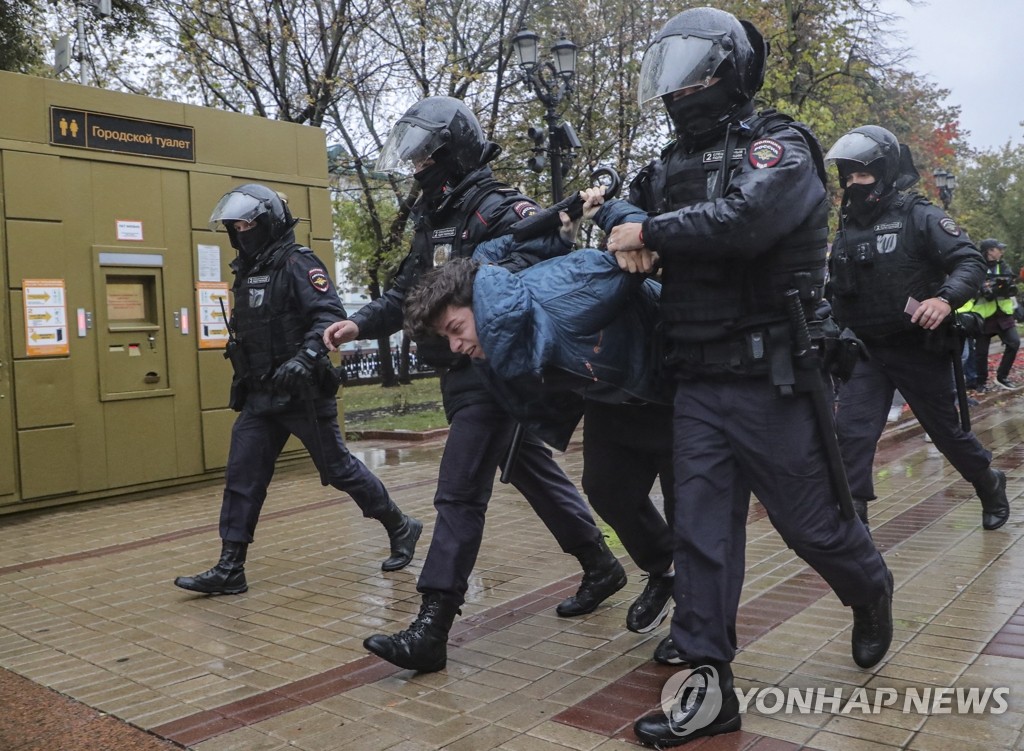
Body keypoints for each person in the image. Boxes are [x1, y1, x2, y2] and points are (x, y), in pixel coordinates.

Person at [599, 9, 894, 746]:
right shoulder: (668, 161)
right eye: (672, 70)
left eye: (693, 68)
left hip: (773, 381)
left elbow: (744, 222)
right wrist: (627, 219)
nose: (678, 85)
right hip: (695, 381)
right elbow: (619, 201)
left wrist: (649, 232)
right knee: (702, 537)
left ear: (729, 72)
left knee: (813, 527)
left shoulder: (780, 145)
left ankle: (870, 585)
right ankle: (708, 690)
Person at [322, 97, 626, 673]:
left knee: (459, 490)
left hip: (494, 367)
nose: (415, 169)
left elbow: (543, 266)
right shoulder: (432, 220)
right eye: (410, 159)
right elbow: (412, 294)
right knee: (527, 468)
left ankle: (432, 627)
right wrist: (359, 322)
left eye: (422, 157)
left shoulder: (501, 208)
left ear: (452, 152)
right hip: (455, 370)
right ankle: (601, 564)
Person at [403, 193, 678, 642]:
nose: (454, 347)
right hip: (611, 398)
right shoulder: (490, 291)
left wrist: (617, 221)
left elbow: (633, 253)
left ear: (479, 307)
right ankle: (665, 568)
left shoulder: (574, 288)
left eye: (455, 330)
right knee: (607, 492)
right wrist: (560, 217)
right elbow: (495, 250)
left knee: (689, 509)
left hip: (668, 389)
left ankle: (694, 625)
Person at [174, 184, 422, 596]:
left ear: (268, 222)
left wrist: (305, 356)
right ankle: (230, 567)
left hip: (302, 392)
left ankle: (401, 525)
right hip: (259, 395)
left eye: (246, 223)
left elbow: (328, 314)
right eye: (235, 225)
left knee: (339, 470)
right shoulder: (249, 270)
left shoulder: (297, 262)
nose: (240, 230)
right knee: (242, 476)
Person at [824, 126, 1011, 533]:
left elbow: (969, 262)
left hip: (916, 349)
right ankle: (855, 528)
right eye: (849, 177)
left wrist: (944, 299)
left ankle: (987, 480)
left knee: (946, 433)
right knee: (850, 437)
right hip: (866, 351)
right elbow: (836, 291)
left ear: (886, 172)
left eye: (863, 176)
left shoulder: (919, 214)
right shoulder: (845, 230)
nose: (854, 185)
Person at [970, 239, 1021, 391]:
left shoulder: (1003, 266)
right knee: (981, 352)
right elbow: (971, 288)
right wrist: (983, 290)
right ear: (990, 251)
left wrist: (1003, 287)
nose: (1001, 252)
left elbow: (1010, 282)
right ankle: (981, 382)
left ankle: (1002, 377)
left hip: (1003, 313)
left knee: (1014, 343)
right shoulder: (976, 267)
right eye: (998, 249)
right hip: (983, 316)